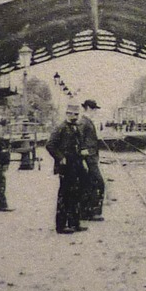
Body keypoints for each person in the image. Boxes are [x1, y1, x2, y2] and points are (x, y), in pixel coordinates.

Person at [47, 104, 88, 235]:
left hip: (76, 165)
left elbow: (78, 144)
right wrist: (60, 157)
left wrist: (82, 152)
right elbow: (50, 145)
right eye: (71, 114)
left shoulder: (76, 128)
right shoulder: (60, 128)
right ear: (67, 113)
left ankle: (74, 223)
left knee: (76, 194)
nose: (74, 116)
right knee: (64, 196)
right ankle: (61, 226)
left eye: (76, 114)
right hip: (66, 166)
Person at [78, 100, 106, 221]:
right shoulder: (84, 122)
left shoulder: (87, 121)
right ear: (88, 108)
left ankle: (86, 212)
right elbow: (79, 139)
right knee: (99, 183)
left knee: (89, 184)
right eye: (94, 109)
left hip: (91, 157)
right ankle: (93, 212)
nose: (95, 111)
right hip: (88, 158)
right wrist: (83, 151)